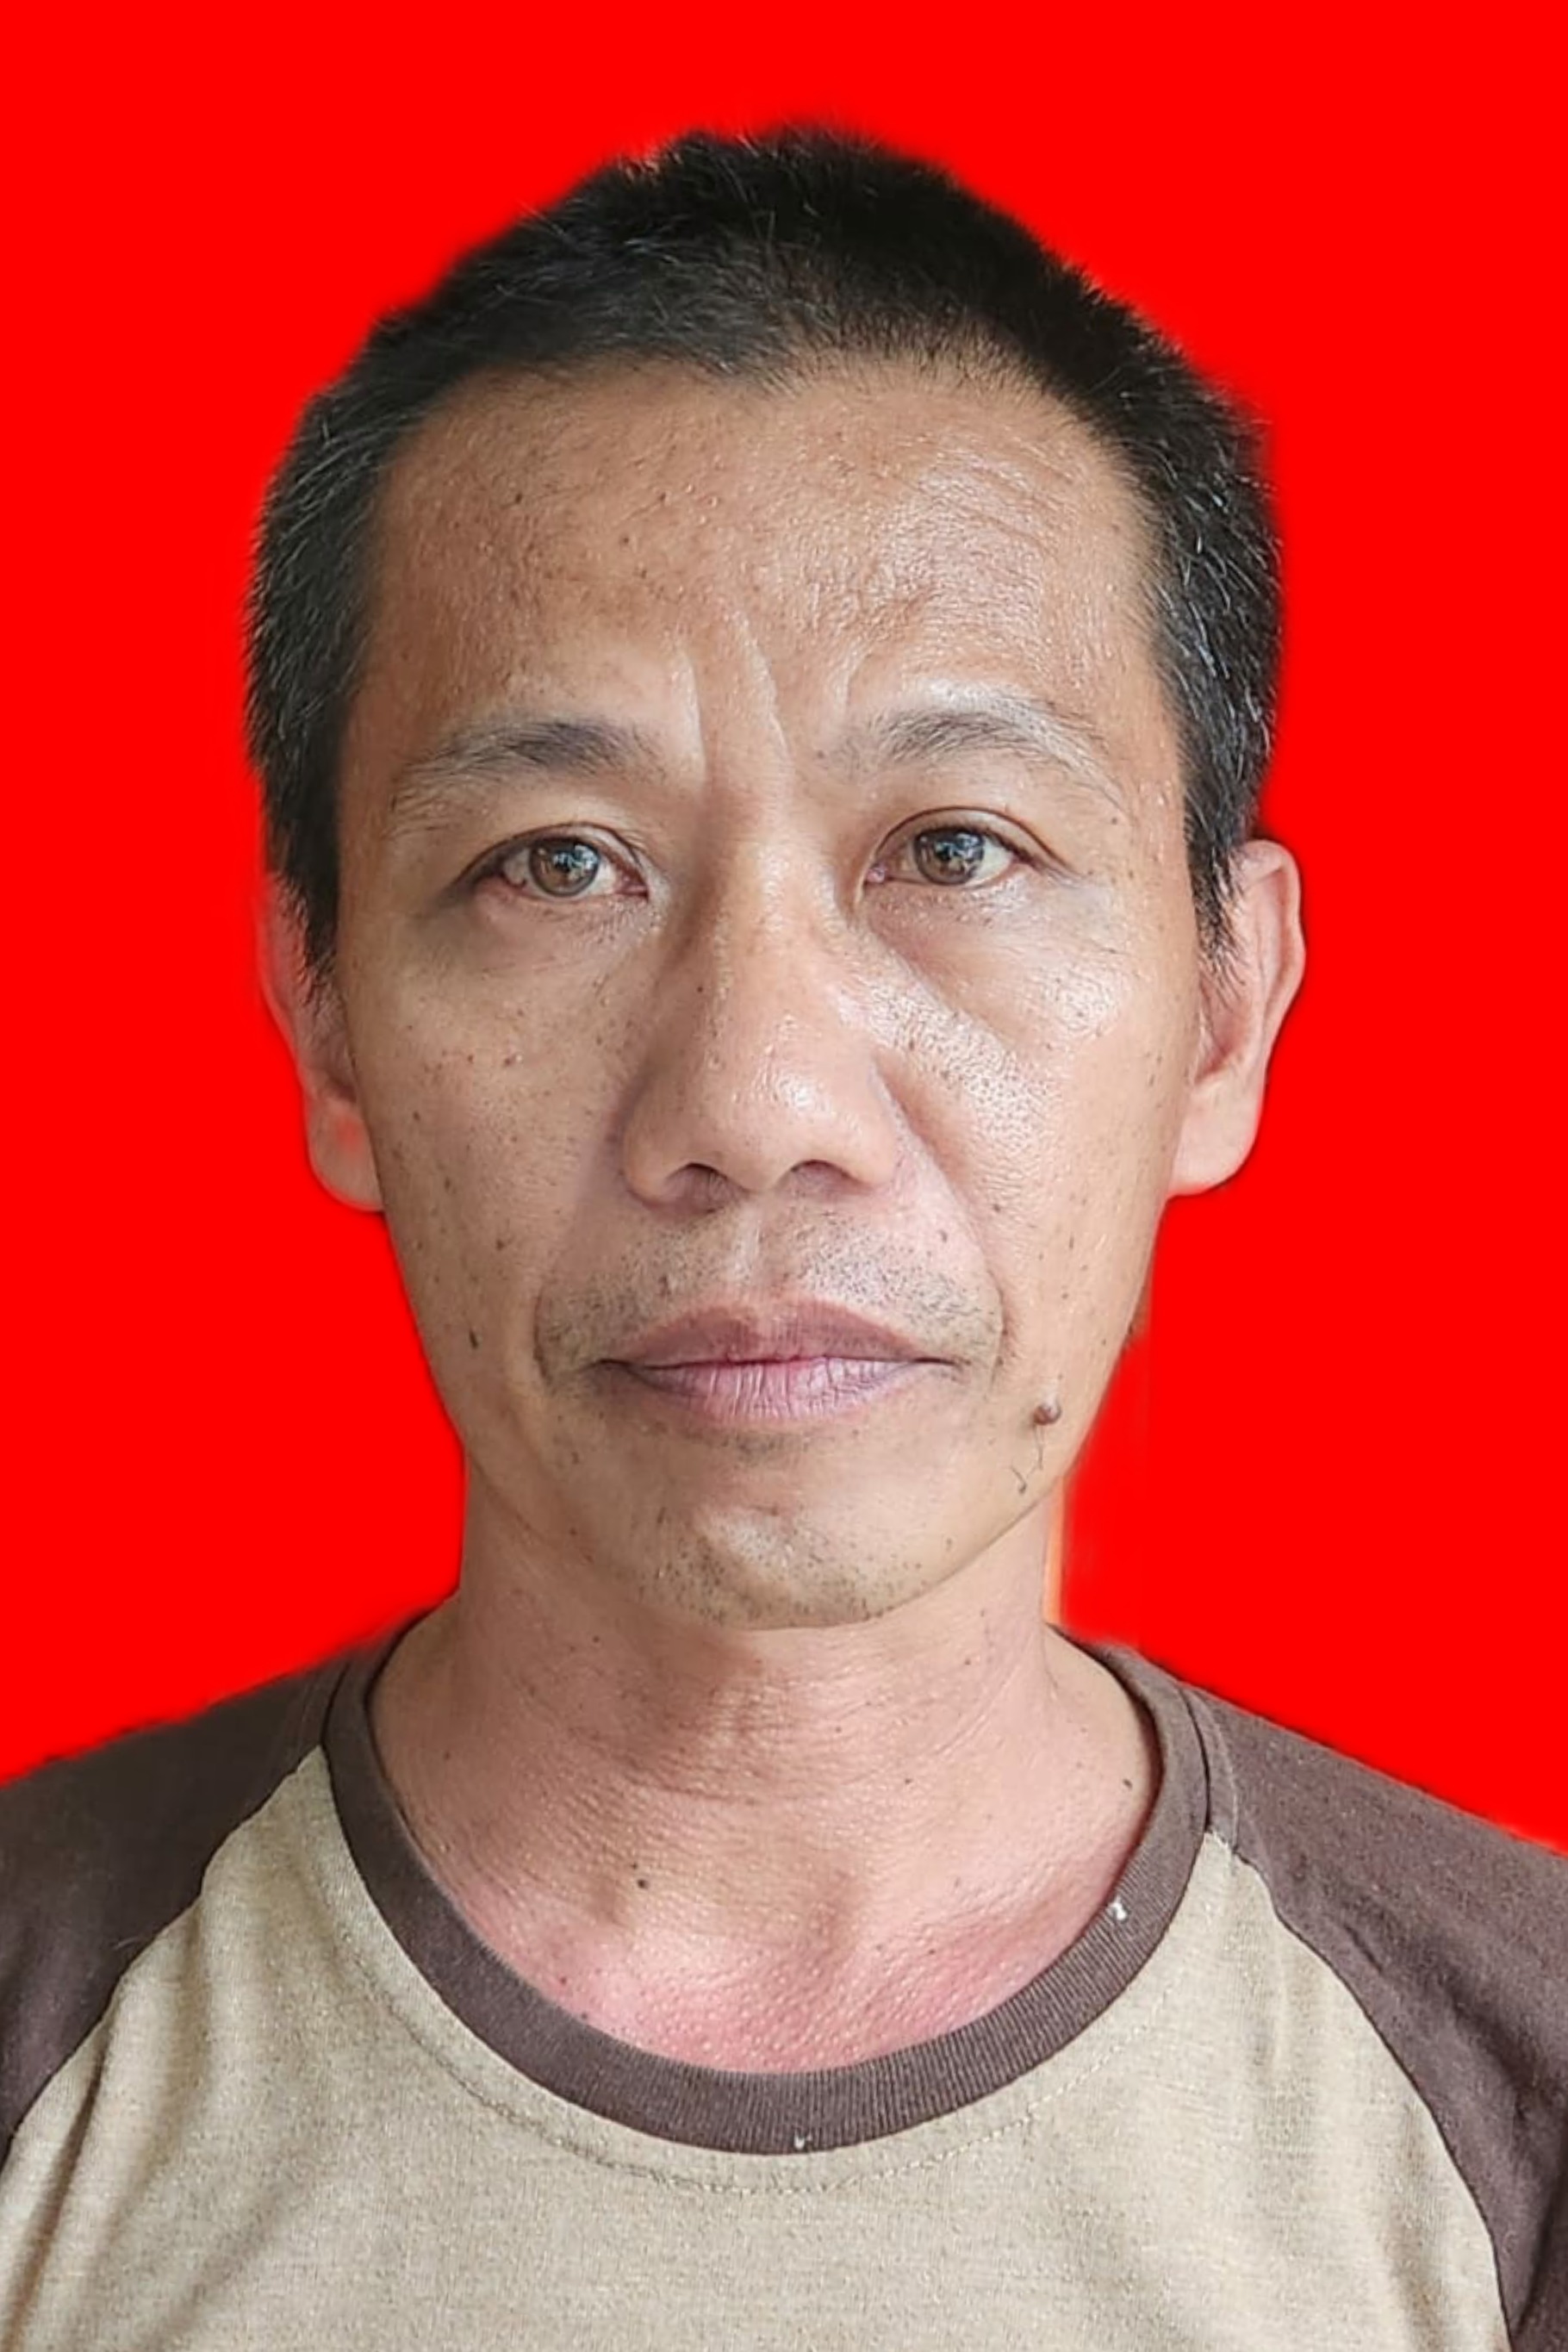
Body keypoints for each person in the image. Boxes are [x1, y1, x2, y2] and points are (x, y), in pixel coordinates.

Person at [0, 125, 1561, 2350]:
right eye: (558, 862)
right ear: (324, 1020)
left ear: (1226, 1011)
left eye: (955, 845)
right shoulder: (45, 2052)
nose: (755, 1108)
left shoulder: (1511, 2116)